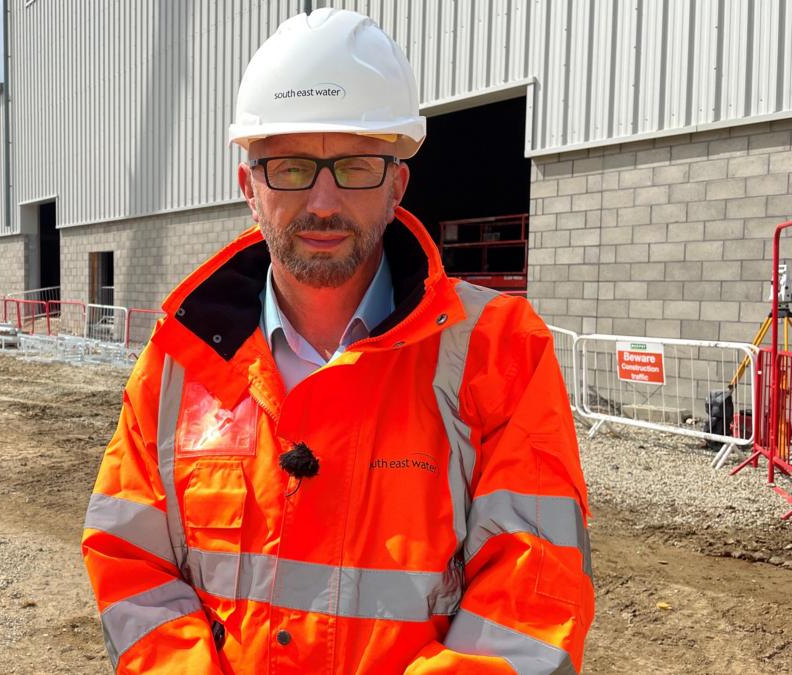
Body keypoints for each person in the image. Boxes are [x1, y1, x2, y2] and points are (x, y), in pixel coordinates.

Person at [83, 8, 593, 674]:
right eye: (291, 167)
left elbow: (533, 591)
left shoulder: (500, 353)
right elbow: (130, 563)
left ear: (398, 184)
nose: (323, 200)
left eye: (355, 165)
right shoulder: (177, 361)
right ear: (250, 188)